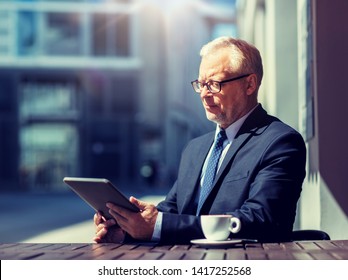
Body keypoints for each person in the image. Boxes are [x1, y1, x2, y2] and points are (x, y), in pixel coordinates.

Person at [94, 36, 306, 244]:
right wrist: (128, 228)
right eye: (201, 84)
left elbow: (262, 219)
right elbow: (174, 210)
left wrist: (158, 225)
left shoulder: (280, 142)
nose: (204, 94)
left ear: (250, 84)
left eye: (214, 84)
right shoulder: (195, 148)